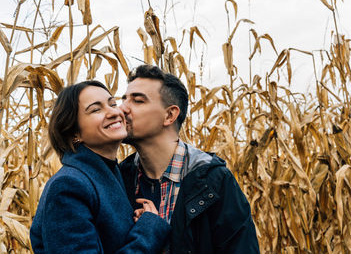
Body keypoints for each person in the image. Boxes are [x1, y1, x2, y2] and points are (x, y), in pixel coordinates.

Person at [119, 65, 260, 253]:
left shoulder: (213, 181)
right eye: (123, 100)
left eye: (137, 101)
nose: (121, 109)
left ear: (169, 115)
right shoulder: (119, 178)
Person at [30, 80, 170, 254]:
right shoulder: (68, 186)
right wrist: (149, 230)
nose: (114, 112)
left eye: (112, 103)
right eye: (96, 109)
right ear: (75, 133)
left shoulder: (116, 174)